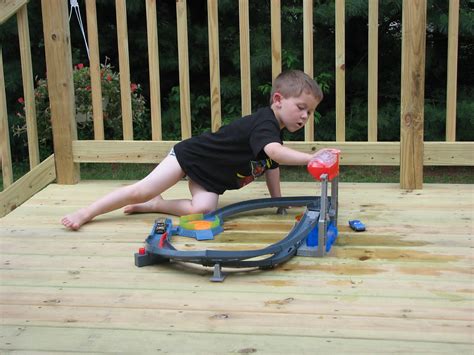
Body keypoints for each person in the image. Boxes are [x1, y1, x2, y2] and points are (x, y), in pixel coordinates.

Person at [61, 69, 324, 230]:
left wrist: (277, 203)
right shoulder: (265, 123)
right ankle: (86, 213)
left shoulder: (273, 133)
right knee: (141, 188)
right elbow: (276, 154)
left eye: (309, 112)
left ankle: (155, 204)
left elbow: (271, 166)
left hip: (210, 177)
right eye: (301, 107)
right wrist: (311, 158)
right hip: (191, 157)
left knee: (204, 211)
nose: (305, 116)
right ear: (278, 100)